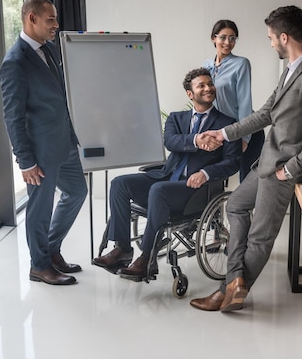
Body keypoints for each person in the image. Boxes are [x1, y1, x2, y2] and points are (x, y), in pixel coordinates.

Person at [190, 5, 302, 312]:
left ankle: (225, 293)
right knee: (236, 204)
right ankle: (236, 281)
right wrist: (224, 134)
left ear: (284, 37)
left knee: (260, 238)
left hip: (283, 169)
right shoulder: (292, 70)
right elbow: (266, 113)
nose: (270, 43)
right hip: (267, 162)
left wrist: (291, 170)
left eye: (271, 37)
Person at [92, 68, 241, 278]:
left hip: (194, 189)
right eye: (201, 85)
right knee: (119, 183)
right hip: (166, 177)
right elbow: (171, 141)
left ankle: (146, 258)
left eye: (210, 84)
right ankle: (123, 249)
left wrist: (206, 173)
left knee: (158, 190)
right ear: (190, 94)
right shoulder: (176, 119)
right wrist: (196, 140)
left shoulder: (228, 124)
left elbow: (233, 162)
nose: (208, 88)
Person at [0, 0, 88, 286]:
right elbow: (13, 117)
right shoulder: (15, 62)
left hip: (64, 142)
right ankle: (39, 266)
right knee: (39, 209)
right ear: (31, 19)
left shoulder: (48, 49)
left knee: (77, 192)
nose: (56, 25)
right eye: (50, 19)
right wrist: (25, 161)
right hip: (40, 152)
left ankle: (51, 250)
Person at [203, 20, 264, 182]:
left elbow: (245, 102)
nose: (227, 43)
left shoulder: (241, 64)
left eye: (232, 38)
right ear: (213, 38)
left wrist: (245, 137)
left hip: (245, 129)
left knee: (246, 182)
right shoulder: (206, 66)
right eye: (223, 37)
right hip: (221, 132)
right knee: (213, 177)